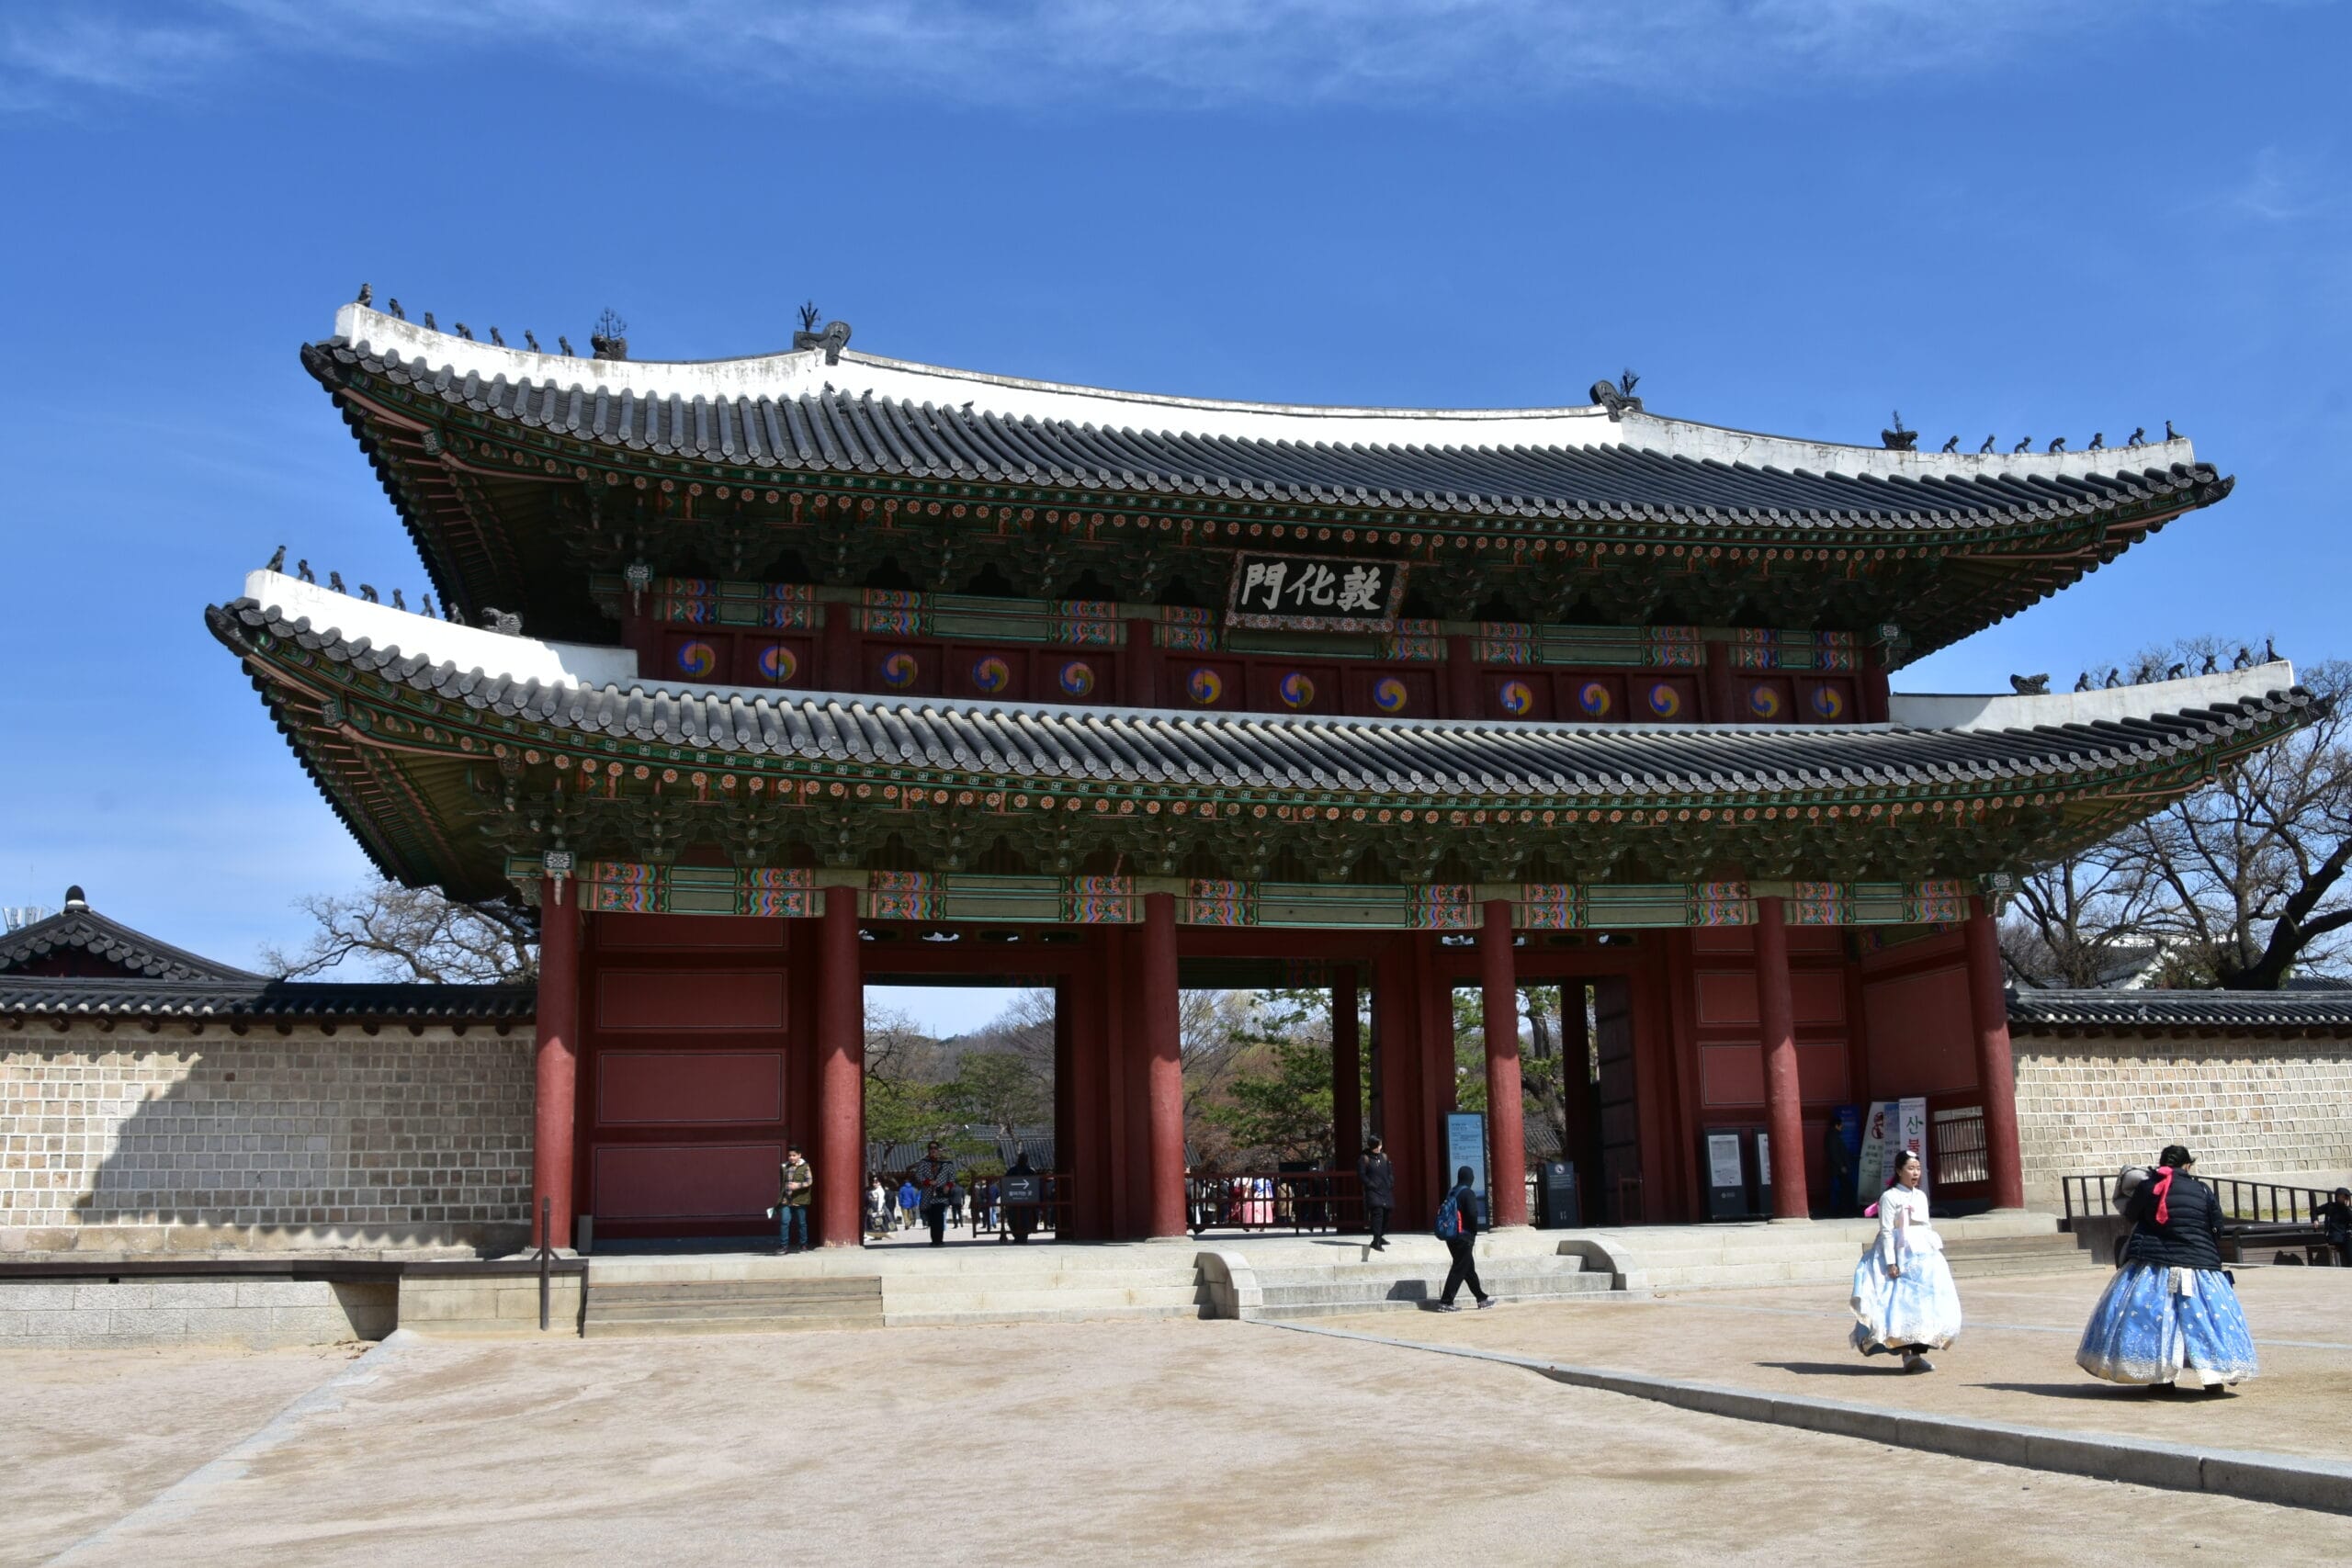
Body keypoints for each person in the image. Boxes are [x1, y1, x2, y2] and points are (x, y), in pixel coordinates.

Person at [2077, 1145, 2259, 1391]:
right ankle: (2214, 1376)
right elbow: (2217, 1225)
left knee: (2157, 1318)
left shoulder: (2148, 1186)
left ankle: (2160, 1378)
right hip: (2199, 1260)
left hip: (2154, 1261)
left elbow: (2132, 1214)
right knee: (2205, 1318)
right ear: (2187, 1165)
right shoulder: (2202, 1189)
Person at [1849, 1148, 1961, 1372]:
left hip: (1921, 1254)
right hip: (1897, 1253)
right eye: (1910, 1168)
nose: (1915, 1173)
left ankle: (1916, 1353)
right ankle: (1907, 1355)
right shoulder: (1889, 1197)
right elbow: (1887, 1231)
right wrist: (1891, 1262)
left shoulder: (1920, 1196)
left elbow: (1926, 1226)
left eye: (1918, 1168)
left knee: (1922, 1304)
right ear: (1899, 1171)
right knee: (1897, 1302)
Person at [1435, 1165, 1497, 1311]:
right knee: (1459, 1268)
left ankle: (1481, 1298)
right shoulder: (1468, 1193)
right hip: (1464, 1236)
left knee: (1468, 1268)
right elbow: (1472, 1213)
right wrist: (1474, 1232)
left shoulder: (1452, 1191)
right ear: (1469, 1178)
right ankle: (1446, 1302)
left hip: (1452, 1235)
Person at [911, 1141, 956, 1247]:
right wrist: (928, 1182)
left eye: (935, 1148)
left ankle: (939, 1239)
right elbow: (918, 1176)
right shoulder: (924, 1163)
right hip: (928, 1194)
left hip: (941, 1194)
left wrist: (948, 1186)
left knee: (939, 1216)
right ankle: (934, 1239)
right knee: (931, 1217)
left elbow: (952, 1177)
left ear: (938, 1149)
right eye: (931, 1148)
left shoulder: (947, 1163)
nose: (933, 1150)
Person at [1359, 1135, 1396, 1251]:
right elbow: (1361, 1175)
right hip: (1373, 1191)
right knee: (1378, 1213)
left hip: (1385, 1189)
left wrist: (1391, 1181)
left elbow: (1389, 1171)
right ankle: (1376, 1240)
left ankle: (1380, 1235)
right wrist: (1370, 1184)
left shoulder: (1384, 1157)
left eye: (1380, 1144)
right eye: (1378, 1145)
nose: (1380, 1147)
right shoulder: (1364, 1158)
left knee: (1387, 1213)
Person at [777, 1143, 815, 1253]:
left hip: (800, 1199)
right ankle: (783, 1246)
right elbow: (782, 1183)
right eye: (790, 1155)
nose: (791, 1158)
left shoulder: (805, 1166)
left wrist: (798, 1185)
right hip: (786, 1199)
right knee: (784, 1222)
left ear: (799, 1155)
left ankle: (803, 1245)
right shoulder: (784, 1167)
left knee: (801, 1223)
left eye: (794, 1155)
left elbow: (809, 1181)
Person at [1005, 1150, 1041, 1243]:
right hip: (1014, 1199)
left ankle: (1024, 1236)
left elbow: (1036, 1185)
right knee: (1012, 1218)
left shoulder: (1030, 1171)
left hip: (1027, 1200)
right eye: (1021, 1158)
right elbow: (1005, 1183)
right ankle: (1017, 1236)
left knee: (1027, 1218)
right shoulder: (1012, 1171)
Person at [2315, 1186, 2352, 1268]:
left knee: (2349, 1238)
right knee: (2348, 1240)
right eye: (2341, 1196)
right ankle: (2350, 1264)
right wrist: (2315, 1220)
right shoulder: (2330, 1206)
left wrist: (2347, 1208)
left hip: (2344, 1235)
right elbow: (2315, 1211)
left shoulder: (2346, 1209)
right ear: (2337, 1196)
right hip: (2333, 1235)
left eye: (2344, 1197)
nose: (2342, 1198)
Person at [866, 1173, 890, 1242]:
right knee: (873, 1221)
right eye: (874, 1182)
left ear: (880, 1183)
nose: (874, 1184)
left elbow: (880, 1200)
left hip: (878, 1206)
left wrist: (879, 1209)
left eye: (876, 1182)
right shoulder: (874, 1189)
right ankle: (876, 1234)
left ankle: (879, 1235)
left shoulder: (880, 1190)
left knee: (878, 1221)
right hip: (873, 1206)